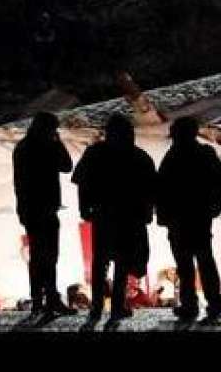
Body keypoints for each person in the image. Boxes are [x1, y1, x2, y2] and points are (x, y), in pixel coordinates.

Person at [73, 113, 156, 325]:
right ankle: (117, 307)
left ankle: (97, 307)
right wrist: (147, 213)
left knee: (101, 262)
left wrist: (84, 208)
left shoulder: (95, 153)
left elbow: (82, 182)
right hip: (129, 217)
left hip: (104, 215)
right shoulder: (139, 157)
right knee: (121, 263)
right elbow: (150, 190)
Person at [156, 116, 221, 323]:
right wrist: (214, 207)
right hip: (200, 216)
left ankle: (190, 306)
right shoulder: (206, 154)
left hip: (178, 219)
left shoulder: (172, 157)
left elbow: (161, 189)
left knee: (185, 264)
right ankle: (214, 305)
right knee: (205, 261)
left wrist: (162, 216)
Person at [12, 111, 76, 322]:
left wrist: (22, 210)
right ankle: (50, 300)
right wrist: (58, 142)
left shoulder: (22, 148)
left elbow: (19, 183)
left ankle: (39, 300)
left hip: (31, 210)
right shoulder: (48, 146)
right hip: (46, 209)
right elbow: (67, 166)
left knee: (39, 257)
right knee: (49, 256)